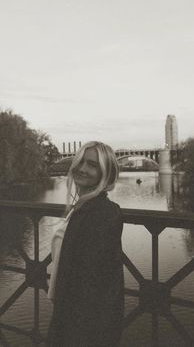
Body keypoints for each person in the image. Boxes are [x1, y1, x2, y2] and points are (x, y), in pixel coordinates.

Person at [47, 141, 124, 347]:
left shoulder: (104, 212)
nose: (82, 168)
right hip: (67, 314)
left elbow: (93, 282)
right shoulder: (83, 207)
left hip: (82, 326)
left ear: (106, 174)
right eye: (80, 161)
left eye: (92, 164)